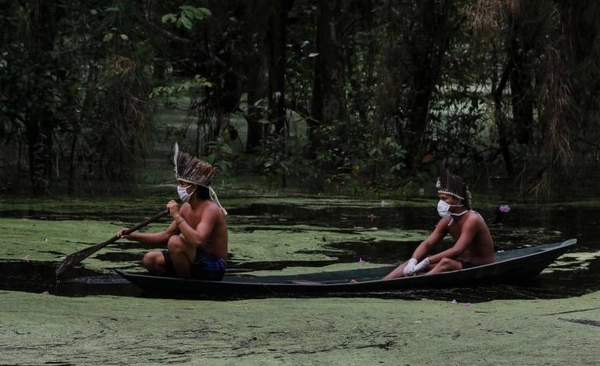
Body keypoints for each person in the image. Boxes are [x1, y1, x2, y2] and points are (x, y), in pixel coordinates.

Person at [117, 143, 228, 280]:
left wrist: (176, 215)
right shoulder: (186, 207)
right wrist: (132, 235)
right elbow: (165, 235)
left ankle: (186, 285)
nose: (179, 187)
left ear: (194, 187)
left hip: (213, 266)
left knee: (175, 242)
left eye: (182, 184)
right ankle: (177, 280)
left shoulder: (211, 210)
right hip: (194, 259)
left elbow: (197, 240)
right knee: (150, 259)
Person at [383, 165, 494, 280]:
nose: (441, 202)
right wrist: (414, 261)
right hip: (461, 263)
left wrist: (427, 261)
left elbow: (457, 250)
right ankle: (383, 282)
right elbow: (427, 244)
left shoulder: (472, 219)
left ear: (457, 200)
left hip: (480, 266)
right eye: (440, 198)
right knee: (416, 260)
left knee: (445, 262)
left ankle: (417, 282)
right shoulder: (447, 221)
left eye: (445, 199)